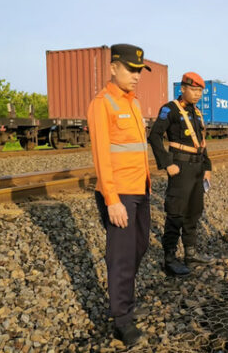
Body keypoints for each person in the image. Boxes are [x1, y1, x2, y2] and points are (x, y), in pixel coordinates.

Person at [87, 43, 152, 346]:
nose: (137, 76)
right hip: (120, 194)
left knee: (139, 247)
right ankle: (121, 319)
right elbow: (101, 155)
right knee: (121, 257)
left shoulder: (134, 103)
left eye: (139, 70)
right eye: (131, 69)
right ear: (113, 68)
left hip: (141, 188)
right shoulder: (103, 103)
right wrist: (112, 200)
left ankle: (123, 299)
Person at [148, 72, 214, 276]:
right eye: (193, 90)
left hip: (196, 169)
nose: (197, 94)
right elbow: (155, 136)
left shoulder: (197, 113)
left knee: (194, 211)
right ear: (182, 89)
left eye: (200, 91)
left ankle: (190, 253)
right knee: (176, 212)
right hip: (180, 168)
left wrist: (207, 167)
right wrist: (167, 163)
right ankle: (169, 259)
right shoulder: (170, 110)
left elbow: (201, 144)